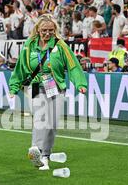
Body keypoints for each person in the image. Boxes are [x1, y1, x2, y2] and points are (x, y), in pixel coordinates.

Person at [8, 14, 87, 171]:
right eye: (44, 30)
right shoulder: (29, 46)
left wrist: (80, 84)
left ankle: (46, 155)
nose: (47, 33)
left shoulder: (61, 45)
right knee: (41, 116)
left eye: (51, 30)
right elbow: (20, 68)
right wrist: (14, 87)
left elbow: (73, 66)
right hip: (36, 85)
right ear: (37, 30)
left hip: (55, 86)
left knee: (52, 123)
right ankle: (36, 150)